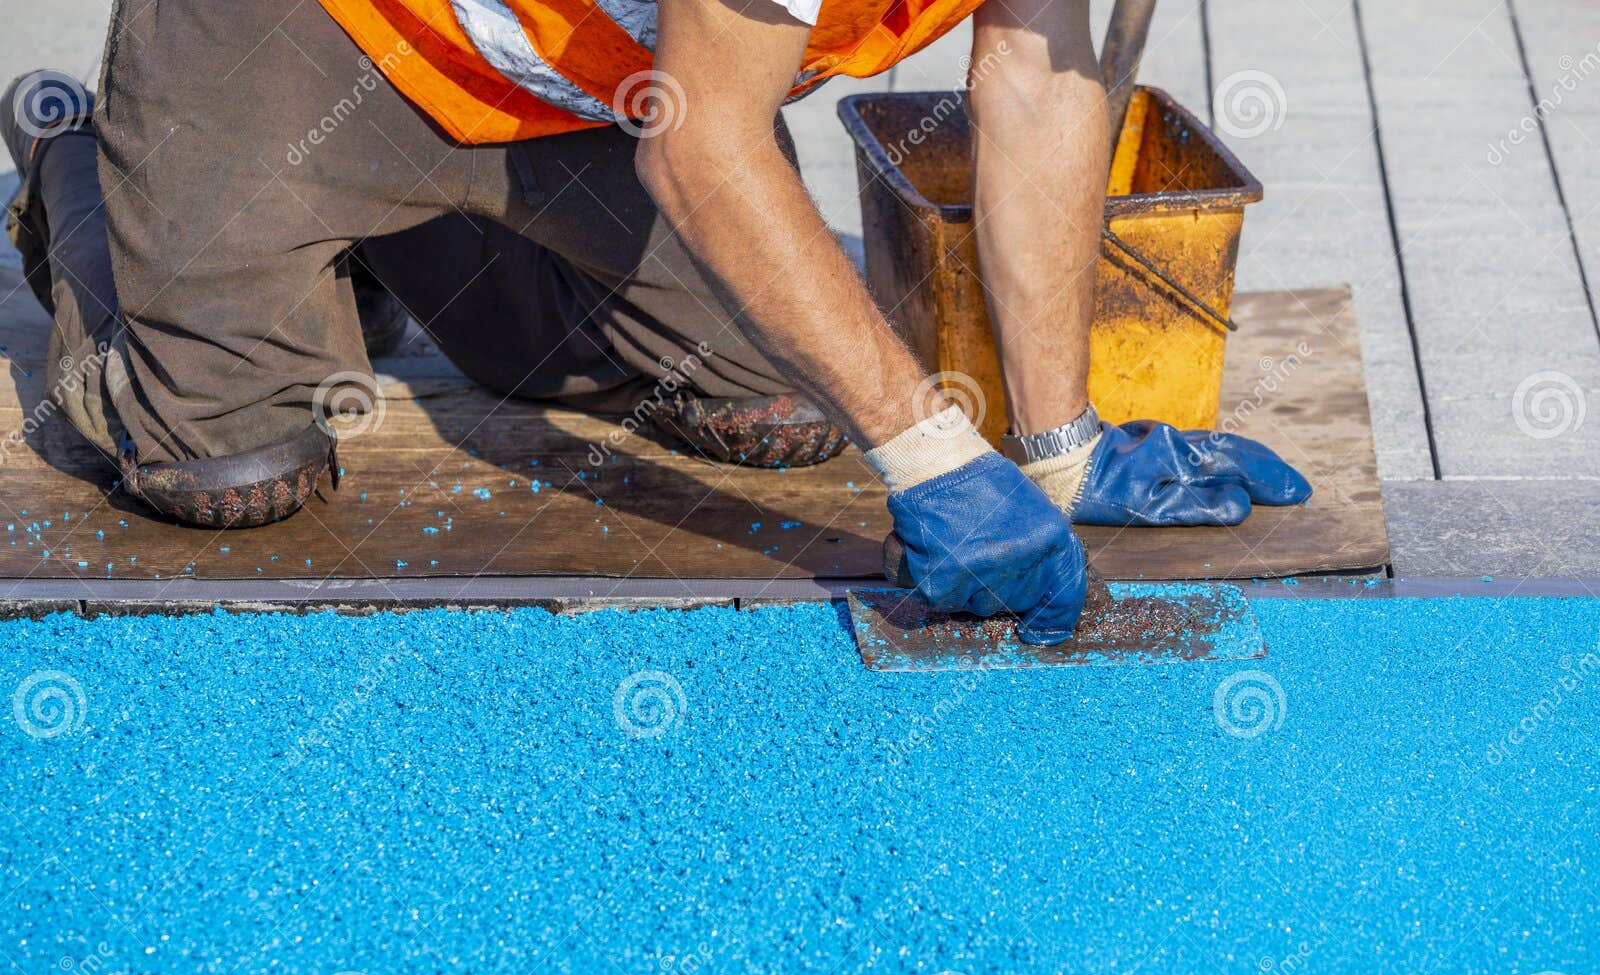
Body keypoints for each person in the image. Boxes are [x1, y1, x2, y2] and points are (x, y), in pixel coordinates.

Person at [3, 0, 1308, 644]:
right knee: (235, 473)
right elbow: (703, 151)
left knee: (773, 400)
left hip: (581, 81)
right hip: (310, 35)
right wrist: (923, 455)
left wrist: (1057, 443)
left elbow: (1035, 71)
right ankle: (85, 177)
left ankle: (378, 235)